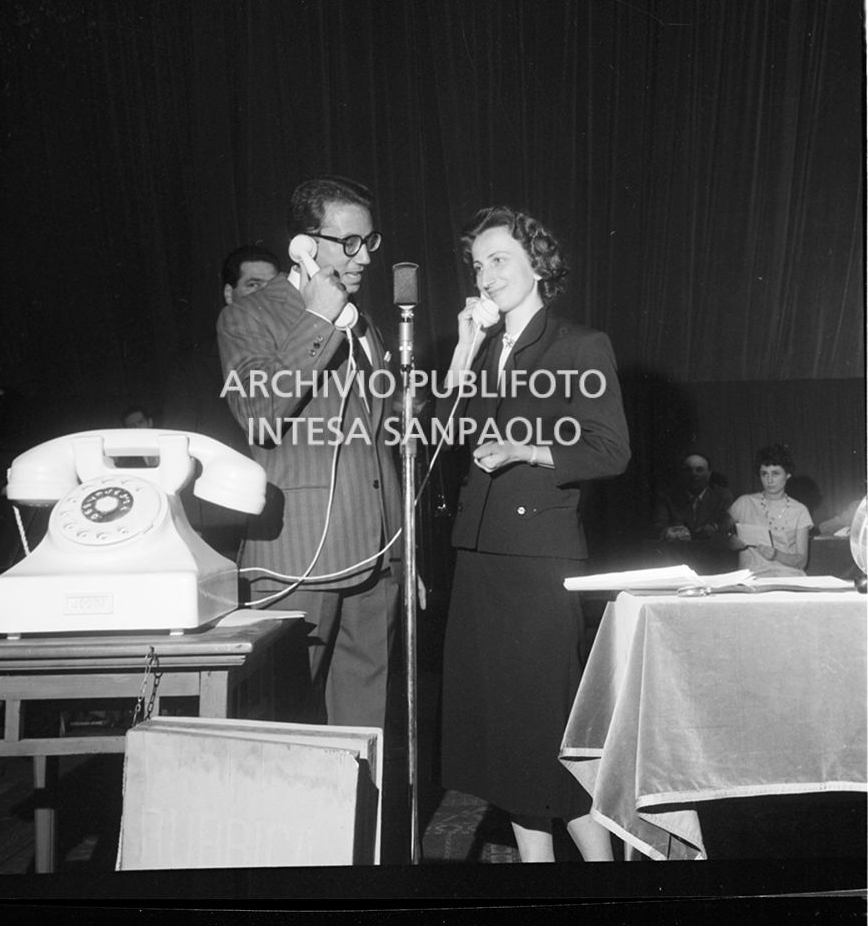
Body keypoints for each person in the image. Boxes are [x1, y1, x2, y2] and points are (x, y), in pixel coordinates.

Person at [438, 205, 630, 863]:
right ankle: (536, 877)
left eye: (498, 260)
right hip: (478, 554)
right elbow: (441, 439)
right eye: (476, 264)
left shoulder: (579, 344)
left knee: (544, 737)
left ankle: (604, 882)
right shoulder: (484, 349)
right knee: (503, 746)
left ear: (536, 265)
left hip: (536, 559)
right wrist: (463, 349)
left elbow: (609, 450)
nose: (485, 276)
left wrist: (529, 447)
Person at [217, 175, 413, 731]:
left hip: (377, 556)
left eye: (369, 241)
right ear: (304, 244)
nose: (364, 257)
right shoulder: (248, 317)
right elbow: (258, 415)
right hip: (298, 557)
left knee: (364, 724)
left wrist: (402, 545)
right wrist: (318, 320)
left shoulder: (364, 324)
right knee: (288, 725)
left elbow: (375, 440)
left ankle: (360, 821)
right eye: (348, 242)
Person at [162, 245, 281, 557]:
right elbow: (175, 452)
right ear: (229, 294)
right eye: (253, 285)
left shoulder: (294, 358)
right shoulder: (191, 365)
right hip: (221, 525)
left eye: (273, 287)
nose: (265, 296)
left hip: (284, 521)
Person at [728, 443, 812, 576]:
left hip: (788, 578)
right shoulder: (744, 503)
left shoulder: (800, 510)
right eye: (764, 474)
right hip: (752, 578)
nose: (770, 480)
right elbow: (718, 534)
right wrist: (730, 540)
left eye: (775, 473)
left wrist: (776, 555)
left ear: (788, 475)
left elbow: (802, 561)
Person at [650, 451, 735, 573]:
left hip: (713, 561)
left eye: (699, 470)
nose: (693, 474)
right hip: (678, 561)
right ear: (681, 473)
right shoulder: (668, 496)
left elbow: (729, 524)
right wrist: (667, 532)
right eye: (688, 470)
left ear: (709, 473)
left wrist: (714, 528)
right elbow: (658, 526)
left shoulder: (723, 495)